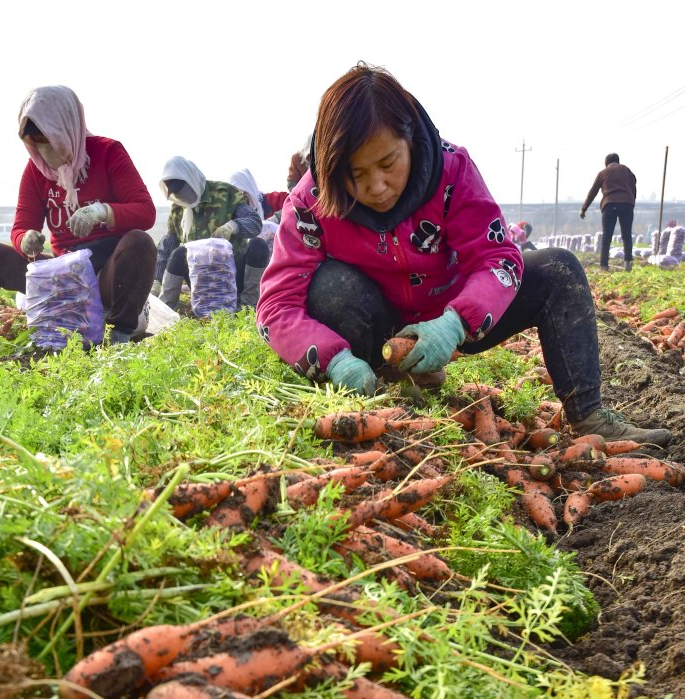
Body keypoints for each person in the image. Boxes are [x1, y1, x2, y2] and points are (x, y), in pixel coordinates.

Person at [256, 65, 671, 447]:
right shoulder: (312, 200)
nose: (377, 186)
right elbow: (275, 305)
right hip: (377, 323)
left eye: (387, 164)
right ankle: (388, 382)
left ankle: (589, 415)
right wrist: (333, 360)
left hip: (454, 313)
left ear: (410, 140)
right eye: (356, 174)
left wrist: (455, 323)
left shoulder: (451, 169)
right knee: (329, 287)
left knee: (559, 270)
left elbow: (499, 257)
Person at [0, 86, 157, 343]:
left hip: (107, 276)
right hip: (65, 277)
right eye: (37, 145)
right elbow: (21, 225)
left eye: (51, 143)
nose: (46, 153)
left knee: (139, 242)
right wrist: (25, 239)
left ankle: (119, 332)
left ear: (69, 129)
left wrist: (102, 211)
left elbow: (145, 212)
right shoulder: (36, 171)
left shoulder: (108, 152)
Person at [154, 158, 271, 311]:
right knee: (179, 254)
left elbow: (254, 222)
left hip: (235, 271)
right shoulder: (178, 209)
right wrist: (156, 280)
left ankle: (248, 306)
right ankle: (166, 310)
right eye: (175, 193)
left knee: (258, 245)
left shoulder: (224, 193)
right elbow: (168, 245)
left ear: (191, 179)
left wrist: (232, 226)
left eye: (181, 189)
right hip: (202, 280)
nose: (180, 195)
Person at [581, 153, 637, 271]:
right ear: (618, 161)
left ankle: (604, 266)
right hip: (627, 204)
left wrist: (584, 208)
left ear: (606, 163)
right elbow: (633, 186)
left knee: (607, 236)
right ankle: (628, 265)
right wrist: (631, 202)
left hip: (609, 204)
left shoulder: (603, 173)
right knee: (627, 235)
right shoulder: (626, 170)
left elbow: (593, 191)